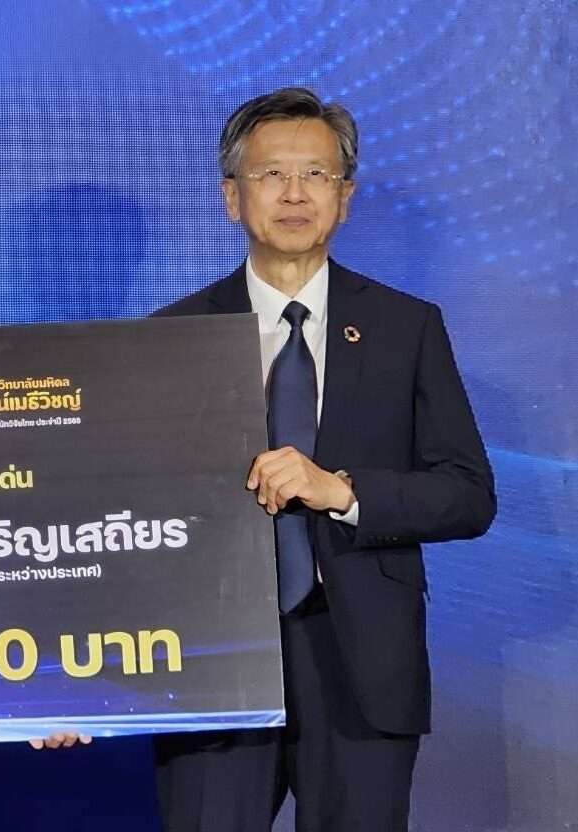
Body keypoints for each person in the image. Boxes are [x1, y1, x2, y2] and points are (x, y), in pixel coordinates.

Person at [151, 87, 495, 830]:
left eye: (316, 174)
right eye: (271, 174)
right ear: (231, 198)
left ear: (345, 197)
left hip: (362, 663)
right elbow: (127, 515)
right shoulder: (171, 335)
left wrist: (342, 492)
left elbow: (467, 495)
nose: (294, 193)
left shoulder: (405, 327)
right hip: (213, 659)